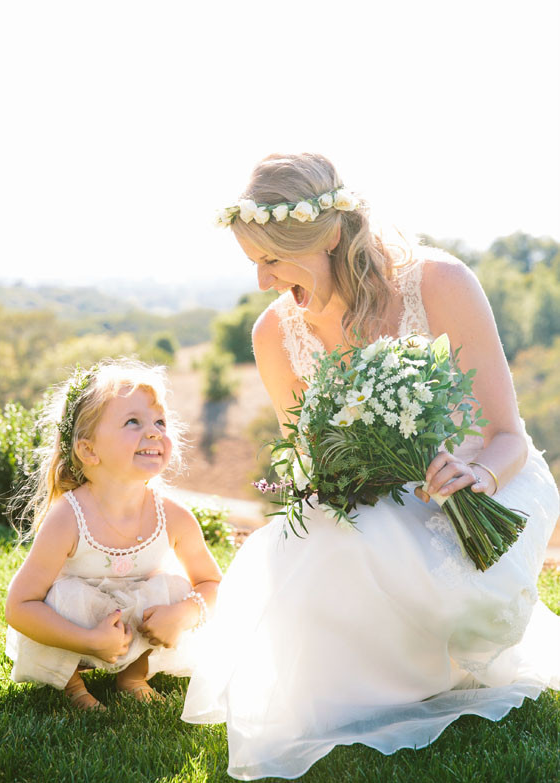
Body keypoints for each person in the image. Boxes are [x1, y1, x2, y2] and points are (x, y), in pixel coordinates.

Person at [182, 153, 560, 779]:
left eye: (272, 259)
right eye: (253, 261)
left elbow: (508, 436)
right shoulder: (273, 336)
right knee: (312, 555)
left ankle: (441, 654)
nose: (261, 280)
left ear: (329, 236)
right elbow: (308, 464)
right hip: (369, 504)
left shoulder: (439, 283)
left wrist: (477, 479)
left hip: (482, 486)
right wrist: (330, 492)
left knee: (408, 567)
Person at [5, 360, 222, 710]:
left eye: (160, 422)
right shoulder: (68, 517)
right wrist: (89, 640)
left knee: (178, 590)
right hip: (76, 628)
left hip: (135, 625)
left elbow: (212, 583)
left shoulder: (174, 515)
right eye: (133, 421)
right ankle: (73, 685)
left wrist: (181, 615)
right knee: (60, 597)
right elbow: (19, 607)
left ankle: (134, 674)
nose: (153, 432)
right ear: (89, 450)